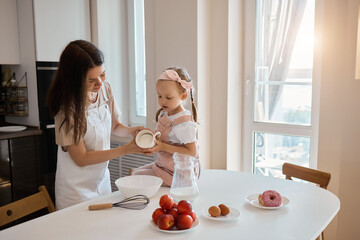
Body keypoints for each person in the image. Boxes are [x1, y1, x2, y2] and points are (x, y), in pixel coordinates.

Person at [47, 40, 149, 210]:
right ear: (74, 80)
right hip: (75, 191)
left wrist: (132, 131)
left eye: (102, 74)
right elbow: (81, 158)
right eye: (91, 80)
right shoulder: (66, 108)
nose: (100, 83)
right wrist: (126, 149)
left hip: (101, 182)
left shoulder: (105, 89)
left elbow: (115, 126)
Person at [132, 67, 199, 186]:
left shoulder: (184, 124)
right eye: (159, 96)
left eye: (168, 97)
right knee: (134, 172)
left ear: (183, 96)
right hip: (164, 167)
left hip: (179, 174)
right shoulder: (166, 114)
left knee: (136, 177)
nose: (163, 101)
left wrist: (162, 146)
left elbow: (191, 151)